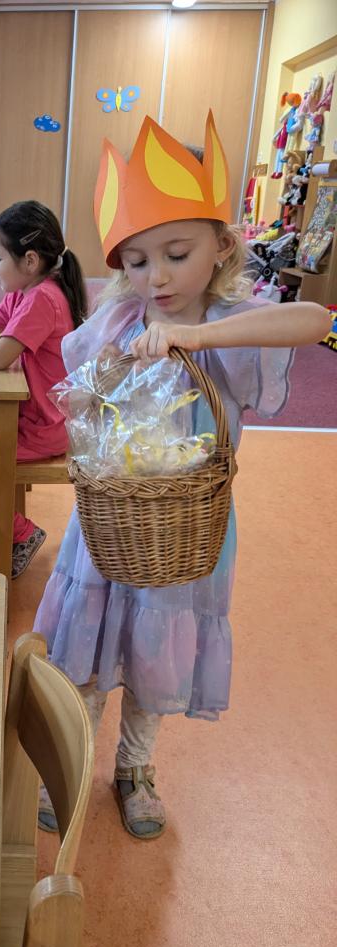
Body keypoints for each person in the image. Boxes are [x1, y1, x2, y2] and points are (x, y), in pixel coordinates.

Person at [34, 112, 331, 837]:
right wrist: (108, 373)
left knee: (157, 648)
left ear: (222, 245)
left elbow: (314, 320)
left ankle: (135, 766)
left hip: (188, 529)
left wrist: (195, 337)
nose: (156, 277)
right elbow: (78, 395)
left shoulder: (234, 321)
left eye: (176, 253)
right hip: (114, 521)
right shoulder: (118, 322)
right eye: (137, 261)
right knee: (88, 644)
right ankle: (72, 757)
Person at [0, 200, 87, 578]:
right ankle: (4, 529)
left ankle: (19, 533)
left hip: (42, 427)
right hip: (34, 417)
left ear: (29, 260)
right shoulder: (25, 291)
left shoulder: (43, 298)